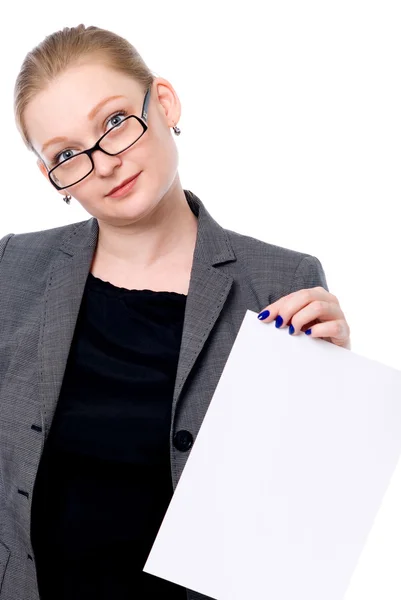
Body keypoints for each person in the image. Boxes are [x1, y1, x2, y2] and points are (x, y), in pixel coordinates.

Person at [0, 24, 351, 600]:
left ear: (162, 102)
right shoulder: (14, 267)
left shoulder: (280, 283)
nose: (104, 162)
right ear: (50, 176)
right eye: (67, 154)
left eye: (114, 122)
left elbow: (302, 516)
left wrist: (331, 393)